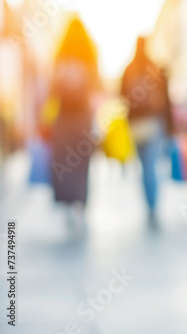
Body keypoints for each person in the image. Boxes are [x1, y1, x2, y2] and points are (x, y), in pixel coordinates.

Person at [49, 18, 100, 232]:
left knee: (64, 164)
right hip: (82, 120)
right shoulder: (90, 56)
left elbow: (52, 90)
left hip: (63, 120)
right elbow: (97, 89)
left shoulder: (60, 57)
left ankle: (68, 205)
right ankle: (80, 206)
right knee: (81, 166)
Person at [121, 37, 171, 226]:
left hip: (136, 126)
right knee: (152, 167)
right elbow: (166, 101)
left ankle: (148, 205)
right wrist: (170, 127)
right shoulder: (156, 67)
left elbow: (122, 99)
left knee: (143, 168)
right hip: (153, 123)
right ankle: (153, 207)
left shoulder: (128, 69)